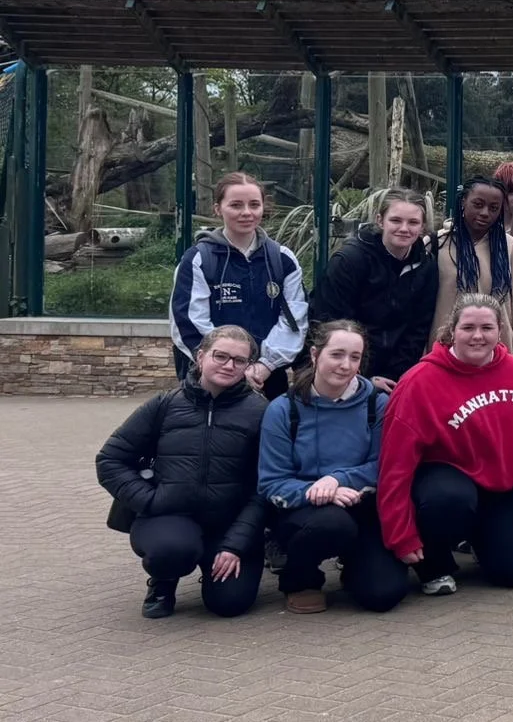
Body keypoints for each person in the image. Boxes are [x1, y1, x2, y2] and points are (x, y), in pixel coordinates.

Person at [377, 293, 513, 596]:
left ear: (500, 331)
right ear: (452, 330)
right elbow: (395, 465)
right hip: (446, 484)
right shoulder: (419, 382)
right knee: (449, 499)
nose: (478, 336)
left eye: (487, 328)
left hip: (502, 486)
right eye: (468, 328)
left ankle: (483, 540)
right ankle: (434, 562)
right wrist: (401, 534)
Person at [98, 324, 269, 620]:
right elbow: (110, 459)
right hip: (170, 517)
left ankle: (213, 564)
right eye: (220, 356)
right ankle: (163, 581)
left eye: (239, 361)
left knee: (230, 604)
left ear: (248, 366)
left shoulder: (261, 412)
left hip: (229, 524)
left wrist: (236, 544)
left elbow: (264, 486)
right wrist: (150, 501)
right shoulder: (166, 404)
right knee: (171, 550)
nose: (229, 366)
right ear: (200, 357)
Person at [258, 320, 409, 614]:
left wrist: (337, 480)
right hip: (305, 510)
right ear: (315, 355)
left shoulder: (377, 403)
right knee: (332, 524)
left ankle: (354, 568)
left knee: (383, 595)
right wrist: (320, 491)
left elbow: (384, 465)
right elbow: (271, 482)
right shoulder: (281, 409)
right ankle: (300, 579)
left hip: (362, 505)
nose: (345, 365)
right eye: (336, 355)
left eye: (355, 357)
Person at [170, 172, 307, 396]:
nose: (246, 212)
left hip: (267, 380)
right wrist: (230, 364)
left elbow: (294, 321)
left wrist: (265, 365)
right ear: (217, 209)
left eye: (254, 204)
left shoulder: (283, 260)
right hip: (210, 381)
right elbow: (187, 324)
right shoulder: (198, 259)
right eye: (235, 205)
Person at [307, 187, 437, 389]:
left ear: (423, 227)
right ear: (379, 220)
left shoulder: (425, 265)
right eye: (395, 220)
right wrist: (364, 378)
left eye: (413, 222)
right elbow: (330, 322)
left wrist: (395, 375)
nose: (404, 228)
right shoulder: (349, 261)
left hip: (395, 374)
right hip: (346, 370)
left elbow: (418, 329)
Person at [431, 177, 513, 366]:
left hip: (497, 354)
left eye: (494, 208)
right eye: (478, 204)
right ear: (463, 201)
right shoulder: (436, 244)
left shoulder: (508, 247)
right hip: (445, 353)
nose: (485, 213)